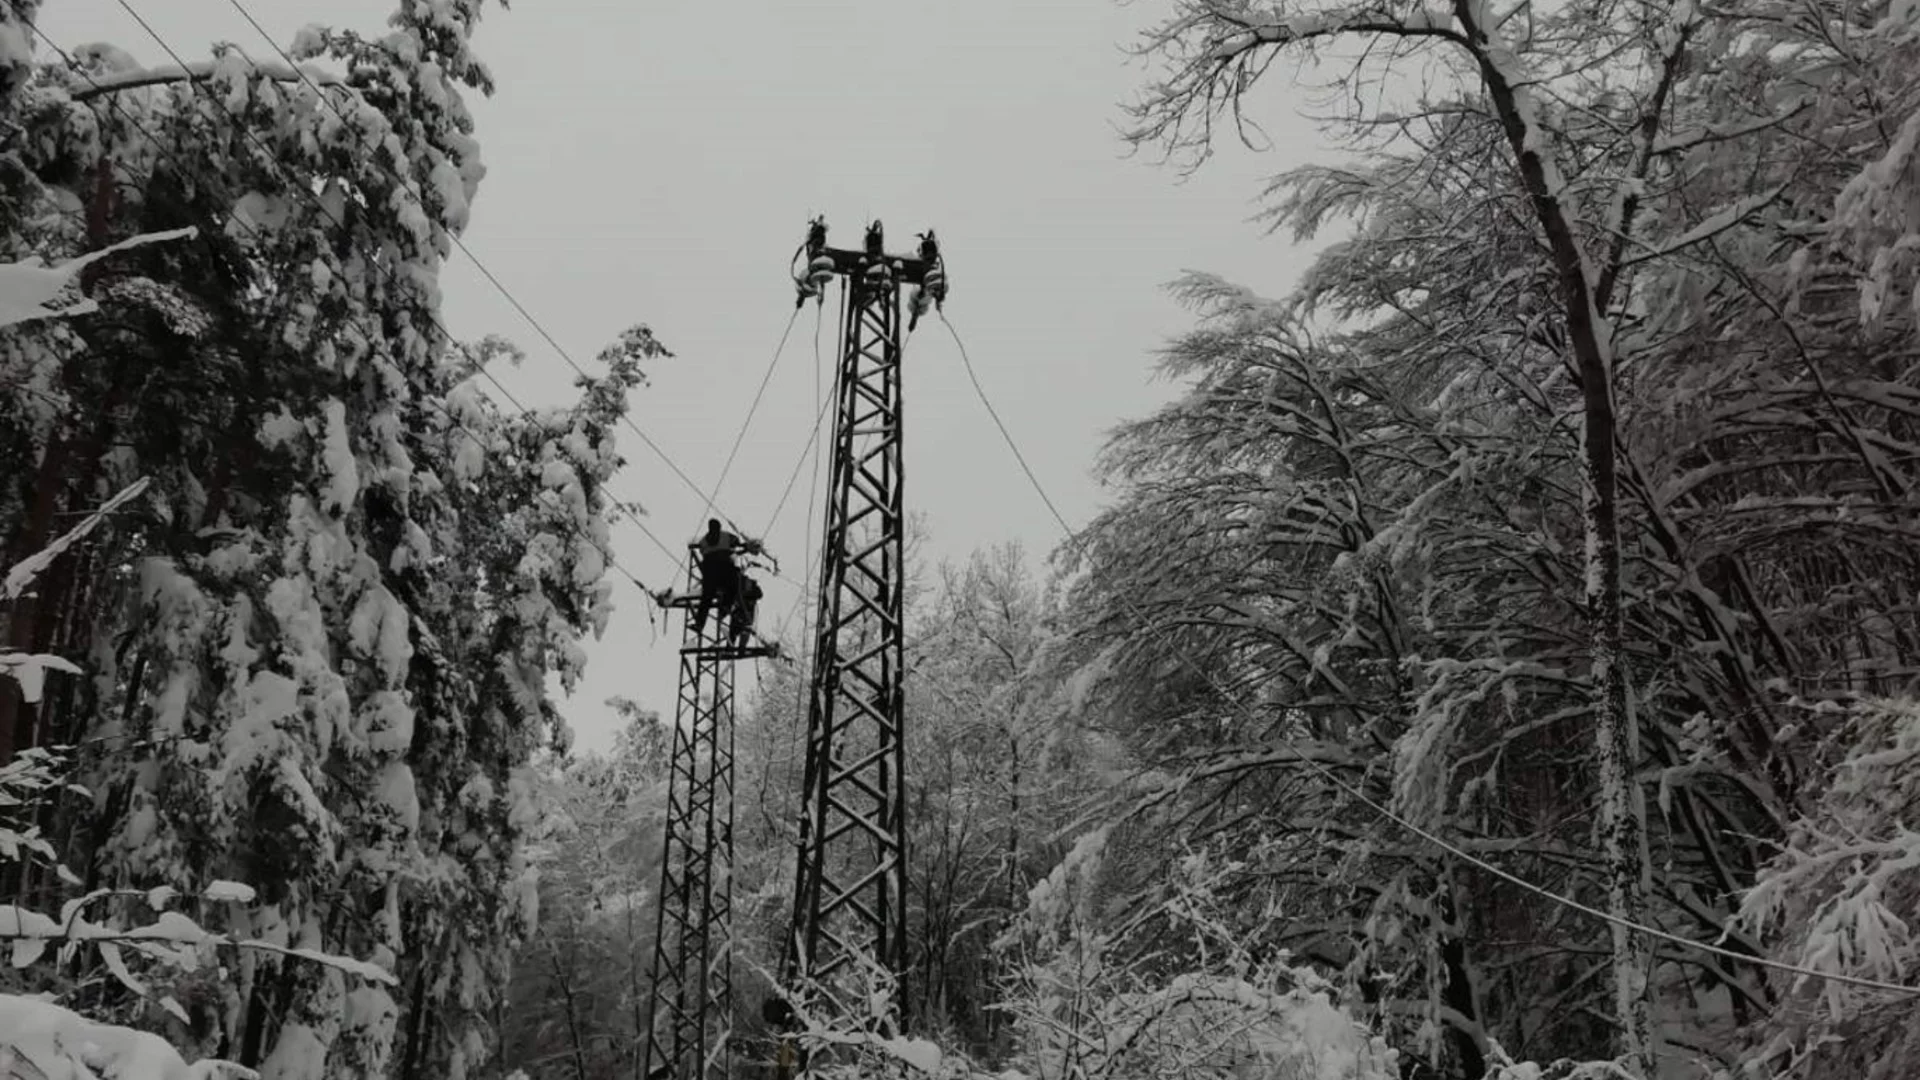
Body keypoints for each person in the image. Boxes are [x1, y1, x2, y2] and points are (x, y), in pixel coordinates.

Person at [691, 518, 741, 635]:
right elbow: (736, 541)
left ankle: (699, 624)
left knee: (706, 598)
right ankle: (725, 608)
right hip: (725, 569)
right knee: (733, 586)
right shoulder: (725, 535)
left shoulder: (704, 540)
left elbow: (702, 551)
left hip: (710, 572)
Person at [730, 574, 763, 647]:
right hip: (740, 612)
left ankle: (737, 648)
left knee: (743, 630)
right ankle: (732, 647)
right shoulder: (739, 586)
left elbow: (760, 594)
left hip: (746, 613)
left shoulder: (752, 587)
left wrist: (748, 596)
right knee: (735, 630)